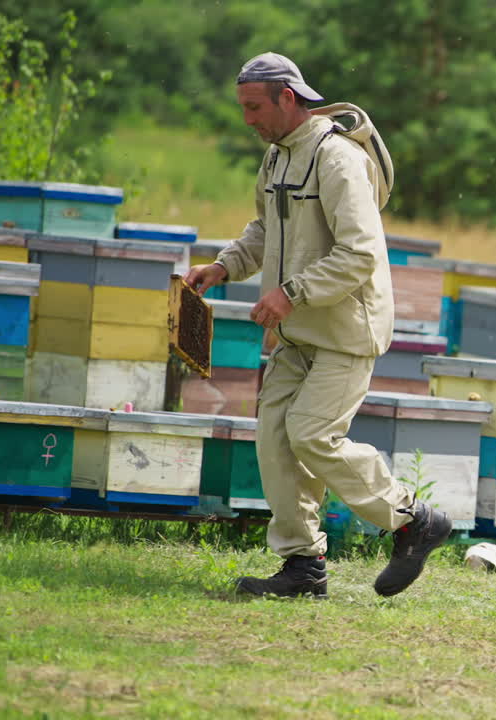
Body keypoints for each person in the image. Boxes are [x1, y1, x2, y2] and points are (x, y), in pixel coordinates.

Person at [184, 52, 450, 599]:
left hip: (346, 331)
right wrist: (223, 265)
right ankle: (303, 567)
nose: (248, 120)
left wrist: (290, 294)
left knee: (312, 435)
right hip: (297, 332)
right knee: (276, 441)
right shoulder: (278, 157)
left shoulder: (337, 161)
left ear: (288, 97)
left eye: (254, 107)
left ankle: (412, 520)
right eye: (243, 108)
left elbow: (360, 255)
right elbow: (265, 229)